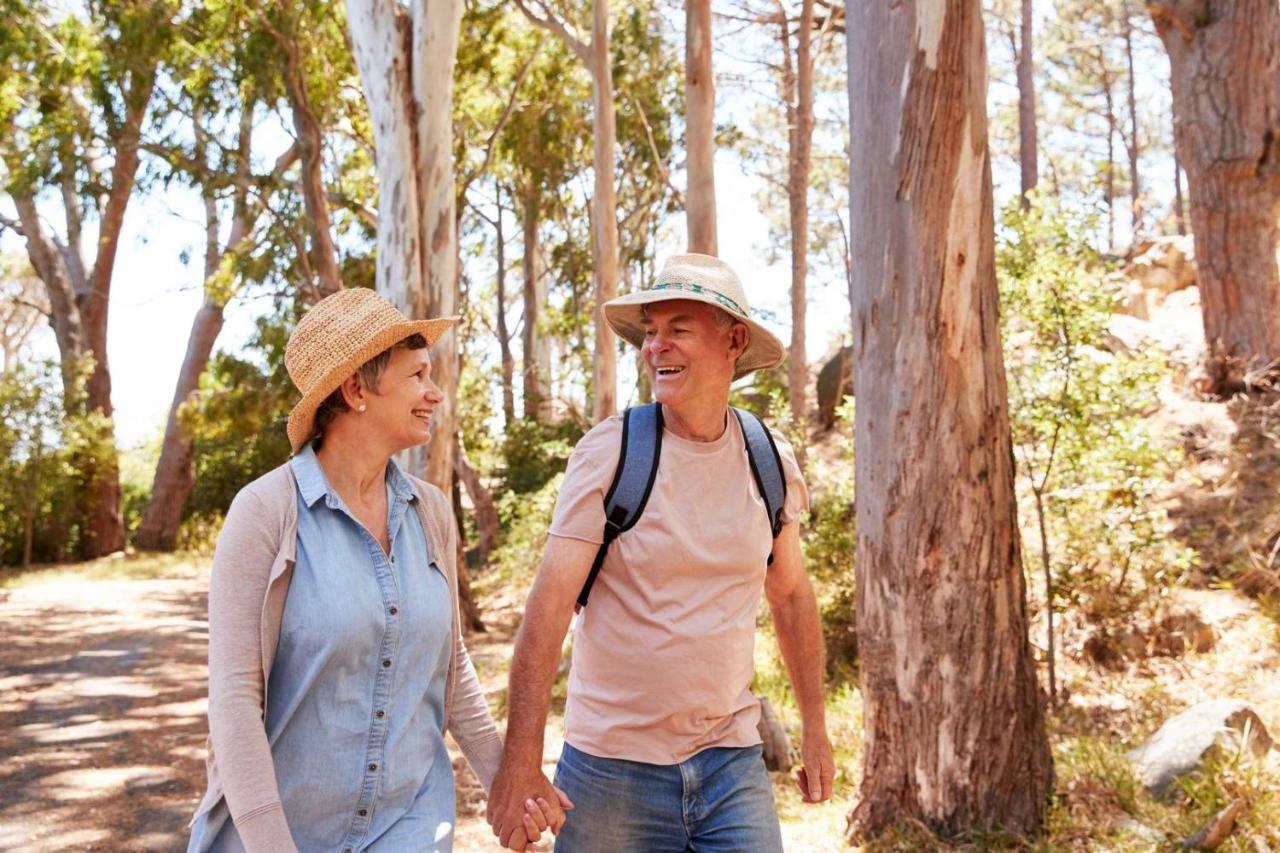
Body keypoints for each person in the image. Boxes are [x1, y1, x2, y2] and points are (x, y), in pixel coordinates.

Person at [187, 288, 566, 853]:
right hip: (281, 834)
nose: (434, 393)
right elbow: (235, 703)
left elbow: (450, 667)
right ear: (355, 389)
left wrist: (504, 785)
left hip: (407, 830)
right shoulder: (266, 511)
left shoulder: (431, 509)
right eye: (416, 376)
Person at [487, 254, 834, 851]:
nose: (655, 346)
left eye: (678, 328)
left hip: (731, 761)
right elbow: (548, 610)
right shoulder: (611, 453)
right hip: (609, 771)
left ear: (735, 340)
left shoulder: (768, 458)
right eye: (650, 331)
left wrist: (817, 729)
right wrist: (520, 762)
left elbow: (793, 594)